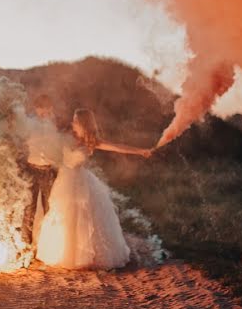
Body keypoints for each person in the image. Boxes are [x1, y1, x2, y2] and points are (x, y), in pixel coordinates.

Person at [35, 108, 152, 269]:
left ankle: (84, 256)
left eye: (76, 121)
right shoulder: (68, 137)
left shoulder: (92, 141)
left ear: (83, 123)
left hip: (80, 182)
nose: (72, 123)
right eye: (73, 120)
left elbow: (117, 147)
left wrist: (140, 151)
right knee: (64, 216)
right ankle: (65, 253)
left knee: (85, 218)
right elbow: (50, 140)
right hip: (65, 180)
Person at [21, 94, 61, 249]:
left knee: (49, 208)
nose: (43, 111)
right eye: (40, 107)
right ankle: (25, 243)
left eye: (47, 107)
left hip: (49, 170)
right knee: (29, 207)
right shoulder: (28, 123)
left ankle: (49, 245)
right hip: (31, 168)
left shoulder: (56, 124)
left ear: (51, 108)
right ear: (35, 108)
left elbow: (60, 144)